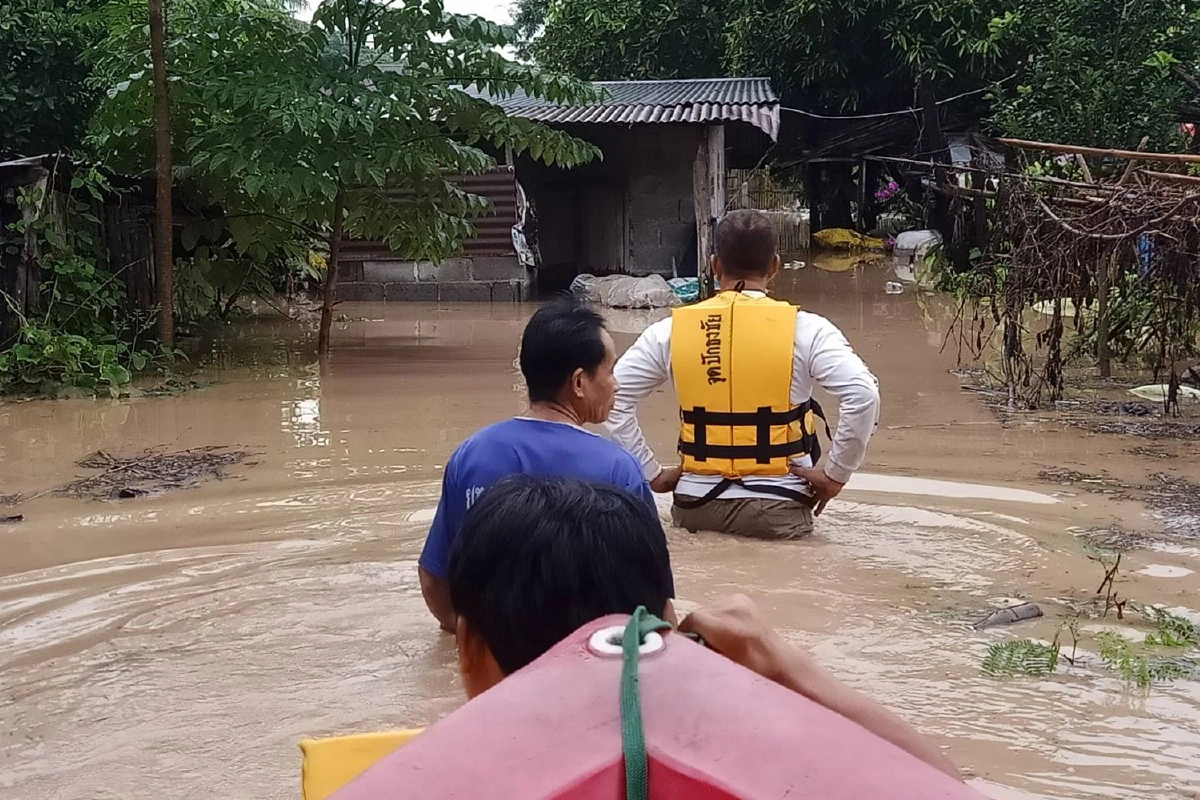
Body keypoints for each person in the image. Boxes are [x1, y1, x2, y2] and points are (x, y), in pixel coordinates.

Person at [449, 476, 959, 780]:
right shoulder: (741, 768)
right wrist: (783, 662)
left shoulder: (439, 777)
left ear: (468, 647)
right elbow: (943, 788)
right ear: (667, 625)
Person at [603, 208, 881, 540]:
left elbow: (613, 395)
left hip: (696, 505)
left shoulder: (670, 330)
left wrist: (649, 472)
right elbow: (863, 396)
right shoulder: (807, 329)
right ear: (775, 266)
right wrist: (836, 475)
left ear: (714, 265)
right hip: (779, 506)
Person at [418, 297, 672, 633]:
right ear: (579, 383)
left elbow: (434, 580)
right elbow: (654, 602)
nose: (617, 383)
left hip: (494, 654)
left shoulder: (471, 455)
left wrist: (471, 641)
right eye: (610, 370)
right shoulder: (618, 469)